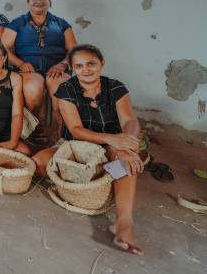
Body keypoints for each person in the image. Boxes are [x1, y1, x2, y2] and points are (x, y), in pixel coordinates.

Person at [32, 44, 144, 256]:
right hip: (77, 143)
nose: (86, 69)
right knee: (39, 163)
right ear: (73, 69)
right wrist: (112, 138)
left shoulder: (115, 87)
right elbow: (75, 129)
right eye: (79, 66)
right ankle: (101, 179)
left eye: (91, 63)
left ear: (101, 64)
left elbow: (129, 119)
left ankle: (124, 223)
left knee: (124, 162)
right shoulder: (66, 89)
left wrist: (127, 142)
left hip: (111, 144)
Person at [1, 0, 76, 139]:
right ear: (28, 3)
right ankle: (36, 126)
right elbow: (3, 48)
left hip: (56, 68)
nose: (39, 1)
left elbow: (73, 50)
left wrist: (62, 64)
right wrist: (20, 64)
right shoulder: (17, 23)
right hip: (29, 70)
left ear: (50, 2)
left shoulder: (62, 24)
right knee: (32, 89)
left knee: (61, 89)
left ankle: (59, 129)